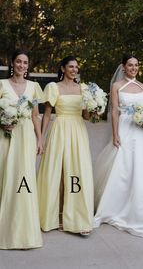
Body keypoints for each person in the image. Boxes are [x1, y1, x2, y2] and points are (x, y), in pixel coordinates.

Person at [93, 54, 143, 238]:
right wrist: (115, 134)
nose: (133, 68)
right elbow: (114, 111)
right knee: (122, 167)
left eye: (136, 65)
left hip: (141, 132)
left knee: (142, 167)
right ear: (123, 67)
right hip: (124, 128)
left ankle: (141, 209)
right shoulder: (117, 86)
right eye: (130, 65)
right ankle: (115, 207)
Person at [37, 56, 94, 236]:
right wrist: (41, 138)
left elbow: (86, 117)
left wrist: (93, 106)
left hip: (78, 130)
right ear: (63, 69)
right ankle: (56, 216)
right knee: (58, 172)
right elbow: (47, 114)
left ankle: (75, 217)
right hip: (60, 129)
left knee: (76, 171)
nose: (74, 70)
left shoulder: (83, 89)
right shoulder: (53, 88)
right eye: (71, 66)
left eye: (76, 67)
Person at [0, 49, 43, 249]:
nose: (22, 66)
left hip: (26, 135)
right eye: (18, 62)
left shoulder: (34, 87)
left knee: (24, 178)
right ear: (12, 63)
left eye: (25, 63)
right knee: (4, 177)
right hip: (6, 135)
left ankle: (25, 231)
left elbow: (35, 115)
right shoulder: (1, 84)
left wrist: (40, 139)